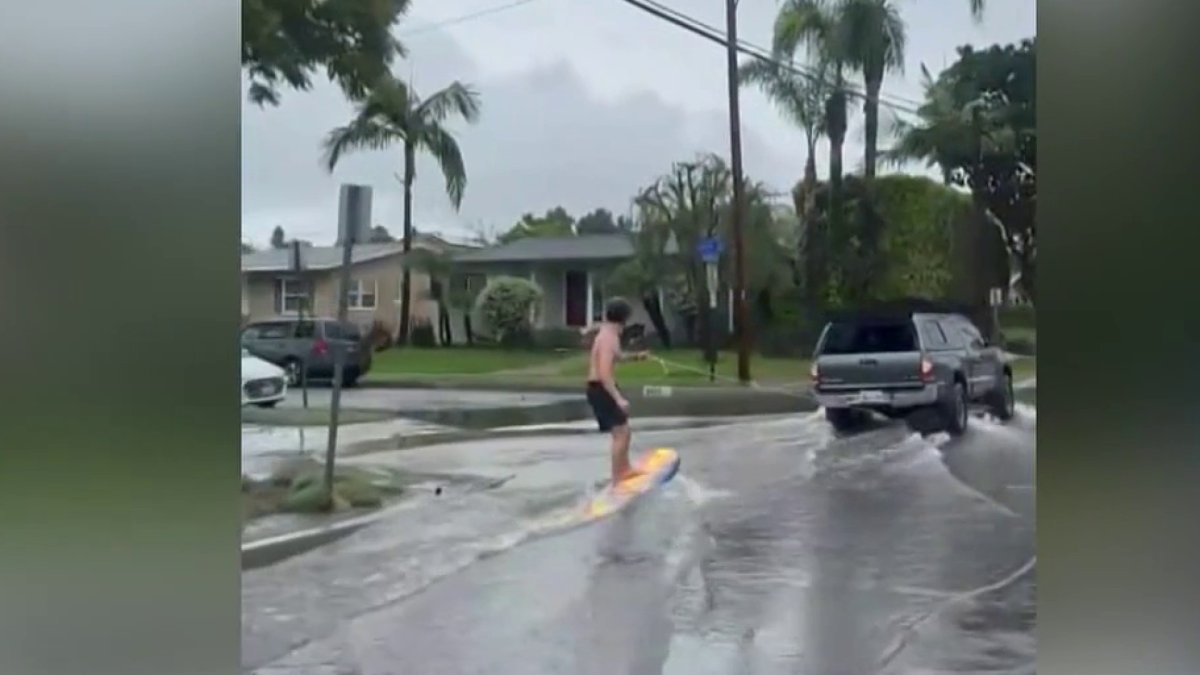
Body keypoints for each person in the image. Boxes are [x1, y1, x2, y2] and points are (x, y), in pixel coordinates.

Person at [585, 298, 649, 486]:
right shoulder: (608, 338)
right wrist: (618, 398)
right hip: (600, 388)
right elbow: (604, 373)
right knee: (621, 433)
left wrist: (638, 357)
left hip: (600, 388)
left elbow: (618, 356)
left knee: (622, 432)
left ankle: (624, 470)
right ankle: (618, 477)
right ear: (625, 319)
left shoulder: (608, 334)